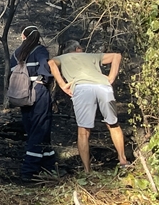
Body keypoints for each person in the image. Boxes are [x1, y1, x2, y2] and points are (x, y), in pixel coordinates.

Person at [48, 39, 131, 173]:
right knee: (113, 124)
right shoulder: (91, 55)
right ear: (78, 48)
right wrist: (111, 77)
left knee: (83, 131)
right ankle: (123, 160)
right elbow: (117, 56)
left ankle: (87, 171)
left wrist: (62, 85)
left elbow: (51, 63)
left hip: (82, 88)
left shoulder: (61, 58)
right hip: (103, 86)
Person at [10, 26, 55, 181]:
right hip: (38, 92)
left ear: (23, 36)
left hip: (21, 94)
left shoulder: (16, 53)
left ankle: (49, 165)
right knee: (40, 128)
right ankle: (28, 170)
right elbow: (46, 73)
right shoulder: (40, 51)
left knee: (35, 129)